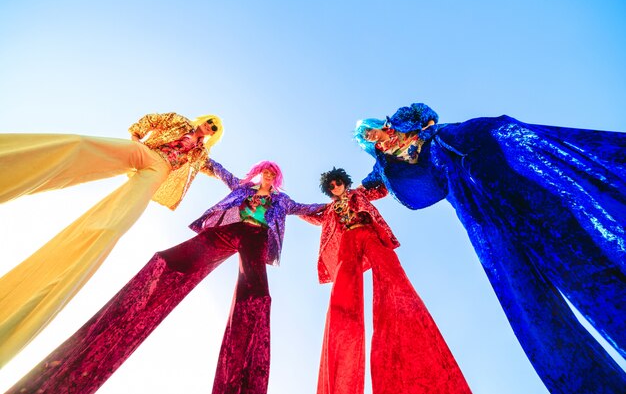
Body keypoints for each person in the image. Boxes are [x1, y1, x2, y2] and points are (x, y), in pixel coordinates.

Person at [354, 103, 626, 394]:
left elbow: (425, 111)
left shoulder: (402, 118)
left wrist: (425, 131)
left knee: (556, 226)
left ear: (376, 124)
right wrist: (329, 204)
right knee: (511, 272)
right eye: (366, 138)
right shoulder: (382, 166)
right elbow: (363, 190)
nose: (371, 137)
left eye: (369, 131)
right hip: (464, 193)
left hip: (474, 150)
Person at [6, 159, 325, 394]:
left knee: (254, 296)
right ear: (259, 172)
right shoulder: (244, 187)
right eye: (265, 171)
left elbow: (306, 208)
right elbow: (222, 172)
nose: (268, 176)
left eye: (273, 173)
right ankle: (134, 308)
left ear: (277, 178)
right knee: (169, 262)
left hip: (255, 238)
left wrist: (335, 208)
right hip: (228, 230)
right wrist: (204, 158)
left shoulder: (282, 200)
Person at [0, 112, 222, 367]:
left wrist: (245, 182)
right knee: (81, 146)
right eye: (210, 121)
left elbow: (216, 170)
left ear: (214, 135)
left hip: (159, 170)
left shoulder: (200, 154)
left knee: (116, 224)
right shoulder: (179, 122)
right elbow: (152, 120)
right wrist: (136, 137)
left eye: (214, 129)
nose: (209, 127)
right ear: (203, 119)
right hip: (145, 152)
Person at [302, 167, 471, 394]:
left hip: (368, 233)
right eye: (331, 186)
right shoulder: (328, 209)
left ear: (344, 181)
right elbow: (303, 211)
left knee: (393, 276)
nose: (335, 187)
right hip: (348, 241)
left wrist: (390, 165)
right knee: (343, 293)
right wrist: (281, 204)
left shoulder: (359, 193)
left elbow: (382, 188)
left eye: (338, 182)